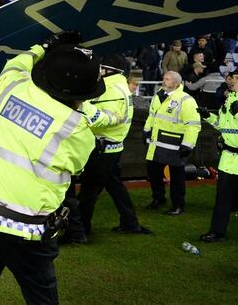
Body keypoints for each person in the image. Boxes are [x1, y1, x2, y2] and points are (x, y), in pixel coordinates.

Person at [0, 32, 119, 304]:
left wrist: (44, 47)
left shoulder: (8, 88)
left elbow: (17, 65)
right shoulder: (77, 131)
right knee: (42, 299)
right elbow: (74, 164)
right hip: (29, 232)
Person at [73, 54, 151, 238]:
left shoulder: (110, 89)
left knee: (88, 191)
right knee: (115, 187)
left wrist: (82, 106)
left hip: (103, 148)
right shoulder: (119, 86)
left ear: (109, 71)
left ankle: (80, 232)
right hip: (112, 147)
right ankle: (130, 223)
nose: (98, 71)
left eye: (101, 68)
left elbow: (105, 120)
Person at [144, 70, 201, 215]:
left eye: (167, 79)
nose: (164, 81)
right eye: (164, 78)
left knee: (177, 177)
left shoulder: (186, 100)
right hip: (157, 142)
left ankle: (178, 205)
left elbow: (193, 124)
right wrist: (146, 130)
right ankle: (158, 198)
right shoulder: (159, 95)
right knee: (153, 172)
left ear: (176, 83)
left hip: (176, 145)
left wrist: (187, 145)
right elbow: (152, 115)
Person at [199, 70, 238, 242]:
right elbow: (223, 126)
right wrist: (208, 117)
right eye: (232, 79)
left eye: (236, 79)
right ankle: (217, 231)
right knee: (222, 198)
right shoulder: (229, 99)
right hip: (228, 158)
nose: (232, 82)